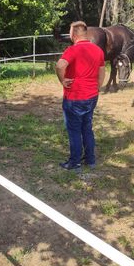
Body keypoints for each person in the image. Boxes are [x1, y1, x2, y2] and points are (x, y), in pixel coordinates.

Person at [55, 21, 105, 170]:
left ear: (73, 34)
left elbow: (59, 66)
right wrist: (98, 87)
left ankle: (75, 161)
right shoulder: (98, 50)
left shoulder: (72, 50)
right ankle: (90, 159)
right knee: (87, 127)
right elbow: (102, 71)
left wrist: (62, 80)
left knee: (74, 130)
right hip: (91, 96)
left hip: (74, 97)